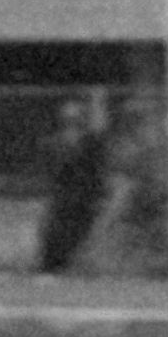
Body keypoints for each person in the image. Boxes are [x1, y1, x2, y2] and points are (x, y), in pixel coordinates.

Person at [35, 91, 117, 276]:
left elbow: (98, 165)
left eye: (76, 116)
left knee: (78, 233)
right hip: (64, 195)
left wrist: (101, 192)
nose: (72, 120)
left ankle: (70, 266)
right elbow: (52, 170)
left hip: (84, 195)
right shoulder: (55, 142)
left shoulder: (90, 141)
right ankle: (52, 266)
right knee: (54, 231)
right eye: (68, 116)